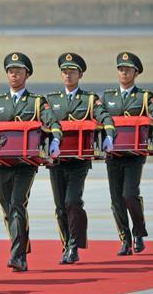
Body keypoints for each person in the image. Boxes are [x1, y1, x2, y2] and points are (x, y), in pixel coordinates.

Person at [0, 52, 62, 272]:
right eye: (10, 71)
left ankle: (17, 255)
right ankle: (21, 248)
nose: (14, 74)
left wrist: (55, 139)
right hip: (1, 163)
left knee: (17, 204)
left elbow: (52, 122)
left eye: (18, 71)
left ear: (27, 75)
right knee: (7, 208)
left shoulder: (36, 102)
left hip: (26, 164)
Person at [46, 52, 116, 264]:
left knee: (73, 201)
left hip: (79, 160)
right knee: (60, 207)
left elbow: (104, 117)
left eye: (72, 72)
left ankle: (74, 245)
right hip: (57, 161)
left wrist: (109, 135)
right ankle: (67, 244)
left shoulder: (89, 99)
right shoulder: (52, 100)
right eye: (65, 72)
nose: (68, 75)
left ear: (80, 75)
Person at [101, 52, 153, 255]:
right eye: (121, 69)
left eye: (128, 70)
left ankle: (138, 232)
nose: (124, 72)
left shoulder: (144, 96)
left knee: (129, 195)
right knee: (116, 200)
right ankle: (125, 240)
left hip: (135, 155)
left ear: (136, 73)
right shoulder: (108, 97)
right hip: (113, 155)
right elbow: (99, 119)